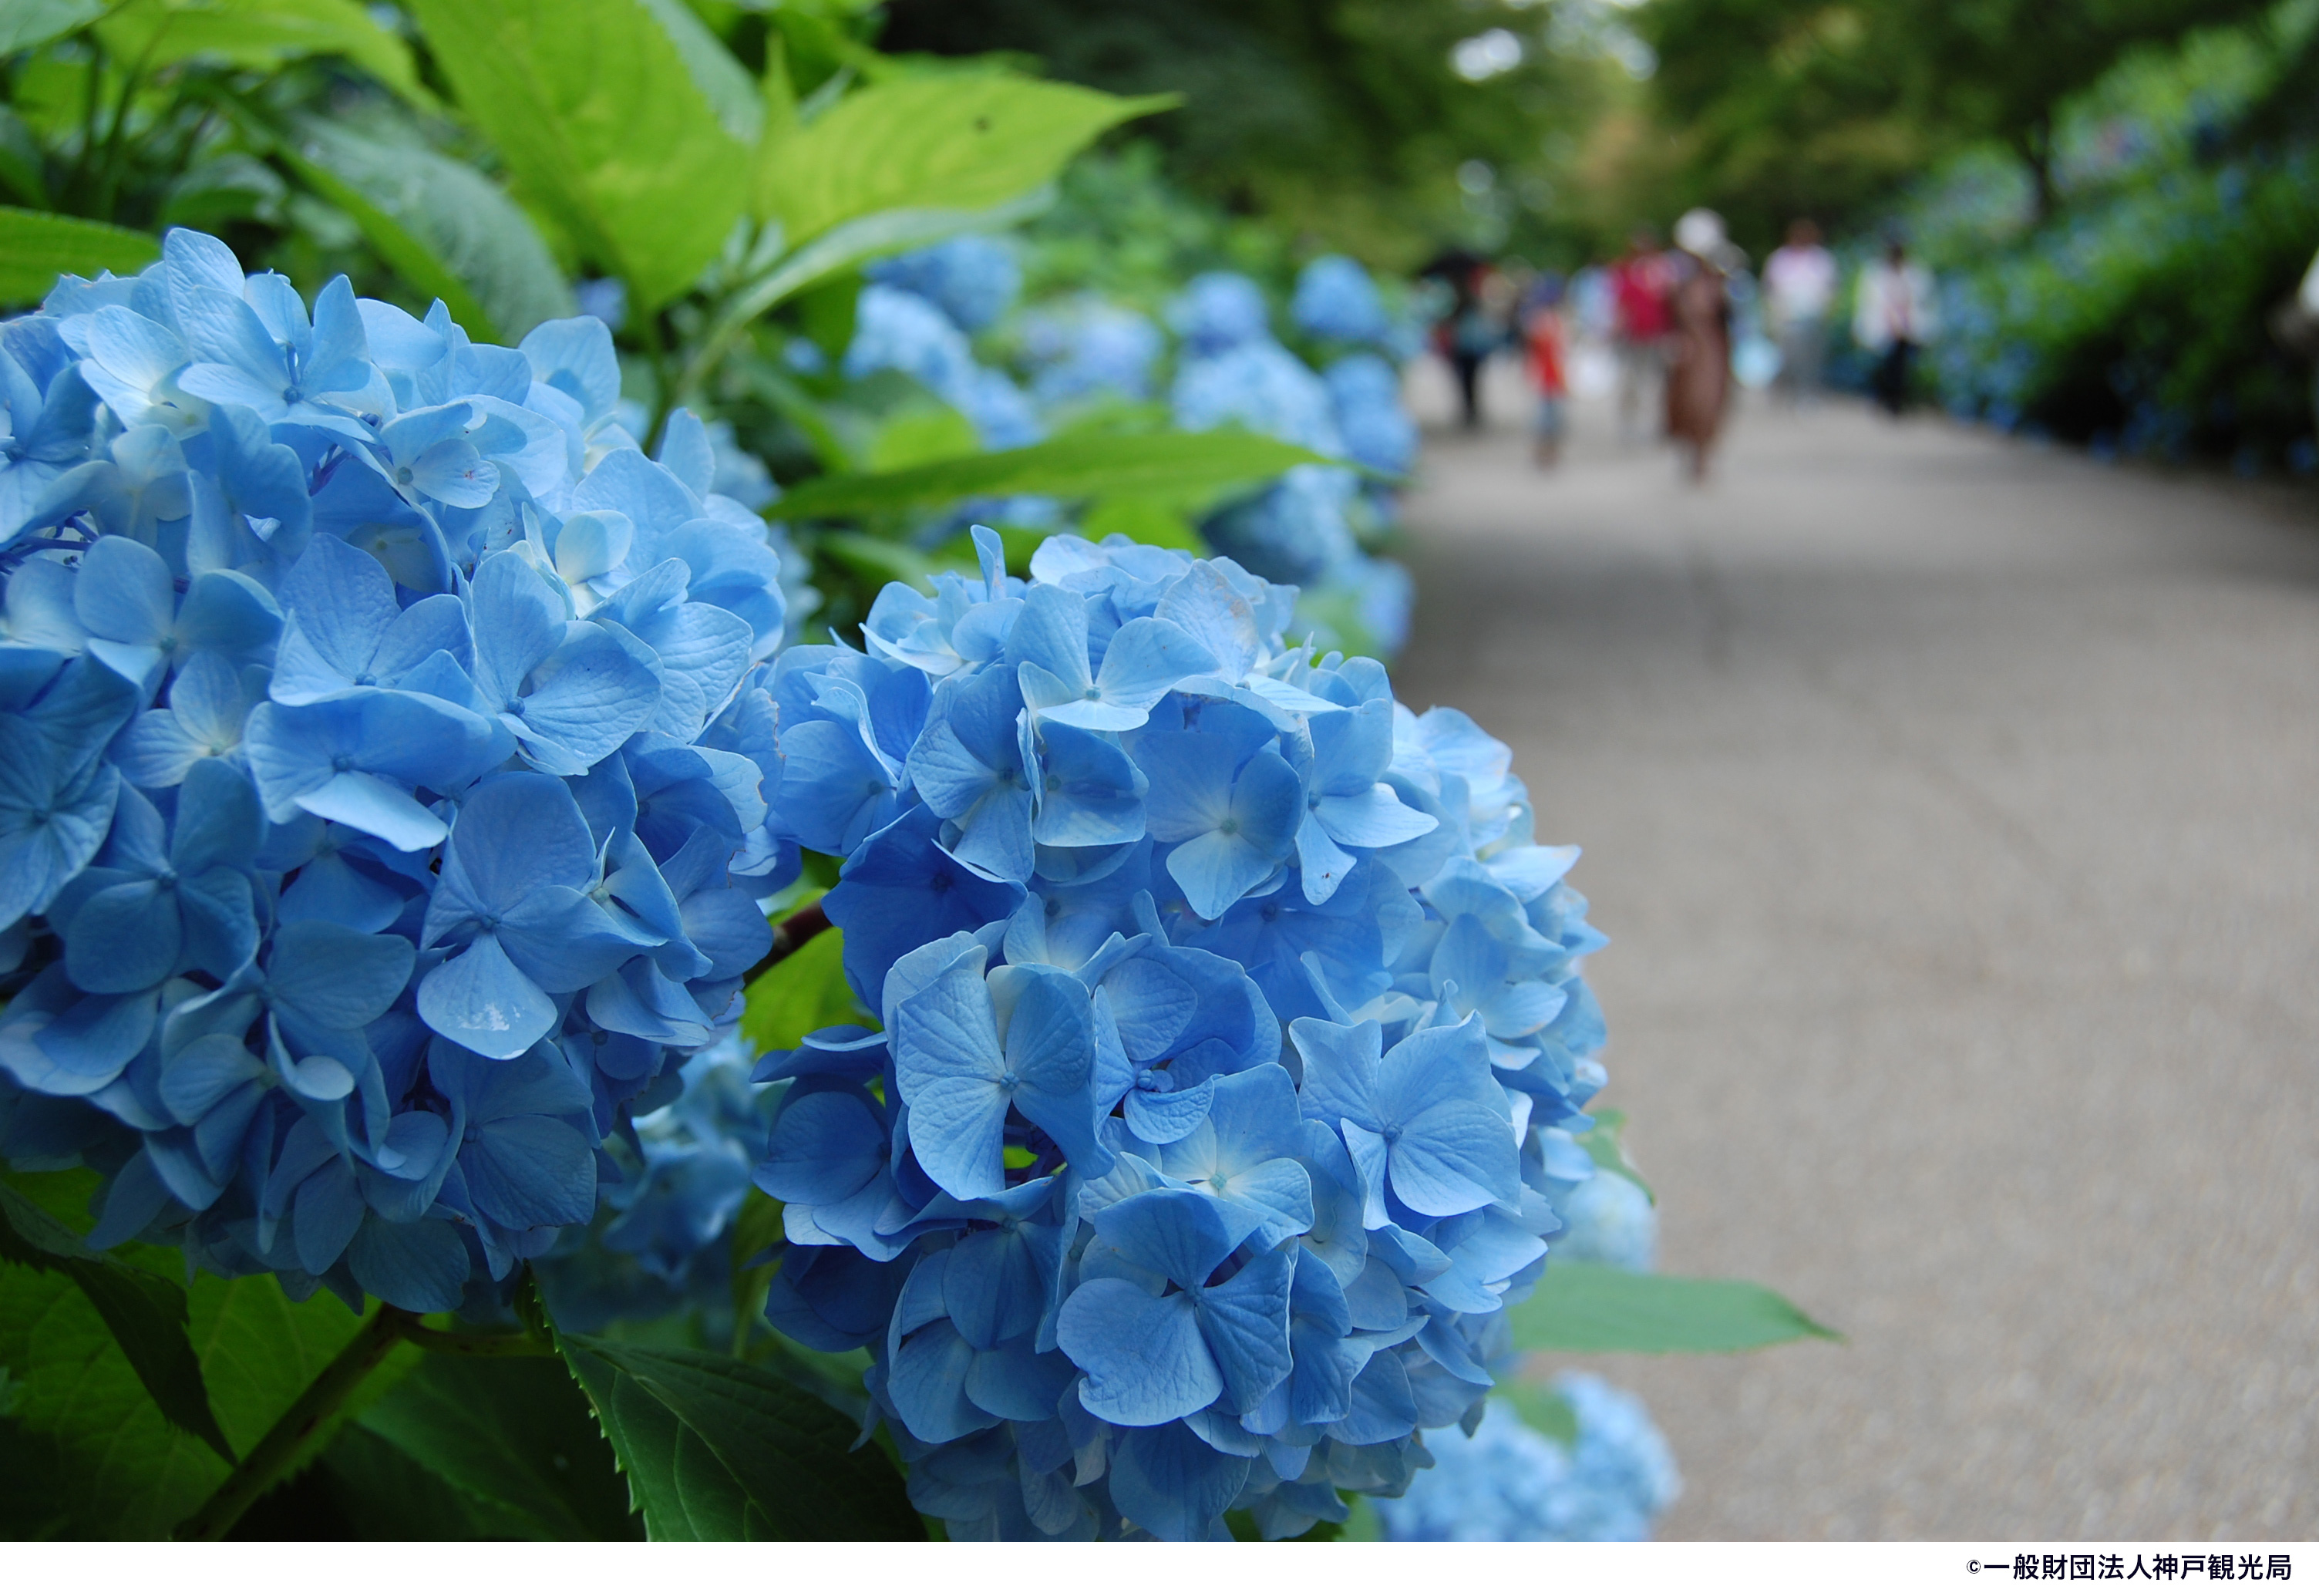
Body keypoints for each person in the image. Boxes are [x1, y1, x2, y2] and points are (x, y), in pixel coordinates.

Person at [1664, 208, 1733, 482]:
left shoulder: (1719, 283)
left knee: (1709, 403)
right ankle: (1689, 451)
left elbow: (1728, 319)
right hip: (1689, 353)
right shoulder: (1680, 284)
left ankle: (1703, 455)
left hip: (1712, 353)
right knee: (1685, 405)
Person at [1853, 239, 1938, 416]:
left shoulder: (1915, 272)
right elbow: (1868, 302)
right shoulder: (1875, 272)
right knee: (1884, 365)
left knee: (1900, 367)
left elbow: (1923, 300)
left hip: (1906, 328)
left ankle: (1896, 401)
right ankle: (1884, 398)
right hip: (1883, 327)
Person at [1608, 227, 1674, 443]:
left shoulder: (1662, 272)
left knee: (1656, 382)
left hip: (1656, 335)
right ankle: (1629, 425)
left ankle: (1657, 424)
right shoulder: (1627, 272)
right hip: (1633, 336)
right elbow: (1622, 304)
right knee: (1631, 382)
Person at [1763, 218, 1837, 403]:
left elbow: (1830, 289)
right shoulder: (1781, 258)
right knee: (1788, 358)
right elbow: (1771, 289)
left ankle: (1807, 393)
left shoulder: (1821, 259)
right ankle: (1786, 391)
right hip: (1787, 318)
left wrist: (1825, 310)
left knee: (1811, 359)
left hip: (1813, 317)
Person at [1521, 272, 1571, 467]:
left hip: (1554, 377)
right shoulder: (1539, 323)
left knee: (1554, 418)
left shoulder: (1556, 322)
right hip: (1544, 378)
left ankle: (1550, 451)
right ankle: (1543, 451)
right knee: (1542, 418)